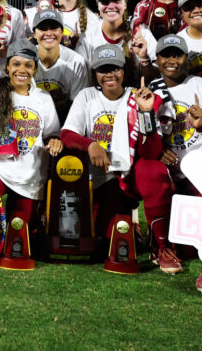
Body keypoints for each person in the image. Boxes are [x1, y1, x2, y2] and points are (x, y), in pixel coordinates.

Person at [60, 44, 173, 271]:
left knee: (155, 170)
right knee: (103, 241)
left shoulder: (137, 96)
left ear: (124, 70)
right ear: (95, 73)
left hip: (127, 177)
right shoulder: (88, 96)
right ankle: (129, 226)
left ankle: (160, 245)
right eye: (103, 70)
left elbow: (151, 151)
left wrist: (145, 111)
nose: (109, 75)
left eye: (114, 68)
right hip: (98, 179)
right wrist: (90, 144)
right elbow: (67, 134)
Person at [0, 41, 62, 263]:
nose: (22, 70)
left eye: (28, 65)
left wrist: (55, 141)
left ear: (35, 69)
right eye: (16, 64)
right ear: (7, 67)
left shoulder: (43, 99)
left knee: (18, 237)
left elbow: (52, 134)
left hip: (29, 176)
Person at [148, 34, 202, 286]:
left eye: (177, 54)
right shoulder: (150, 90)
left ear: (186, 58)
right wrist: (158, 151)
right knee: (187, 247)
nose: (171, 60)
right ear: (156, 59)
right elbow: (143, 136)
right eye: (165, 55)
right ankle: (161, 245)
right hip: (173, 175)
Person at [78, 0, 158, 87]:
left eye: (116, 0)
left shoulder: (140, 32)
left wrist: (144, 59)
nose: (111, 6)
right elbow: (81, 82)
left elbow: (157, 78)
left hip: (136, 98)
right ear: (98, 6)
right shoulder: (87, 39)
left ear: (125, 4)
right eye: (105, 2)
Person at [30, 8, 88, 122]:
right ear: (34, 34)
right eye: (43, 28)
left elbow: (78, 107)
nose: (49, 33)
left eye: (54, 28)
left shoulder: (76, 61)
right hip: (32, 119)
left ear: (61, 32)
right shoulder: (26, 59)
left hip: (64, 120)